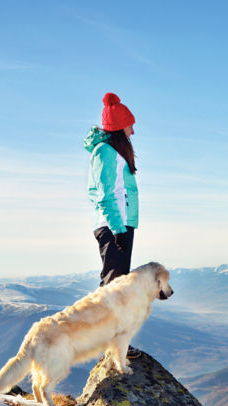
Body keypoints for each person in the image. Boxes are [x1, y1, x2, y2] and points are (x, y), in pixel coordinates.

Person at [83, 92, 139, 286]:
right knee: (112, 290)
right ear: (120, 126)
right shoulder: (105, 152)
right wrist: (118, 230)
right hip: (113, 226)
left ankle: (111, 318)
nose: (132, 132)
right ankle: (98, 318)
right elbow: (104, 195)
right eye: (130, 126)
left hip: (120, 224)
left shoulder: (114, 153)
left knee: (119, 289)